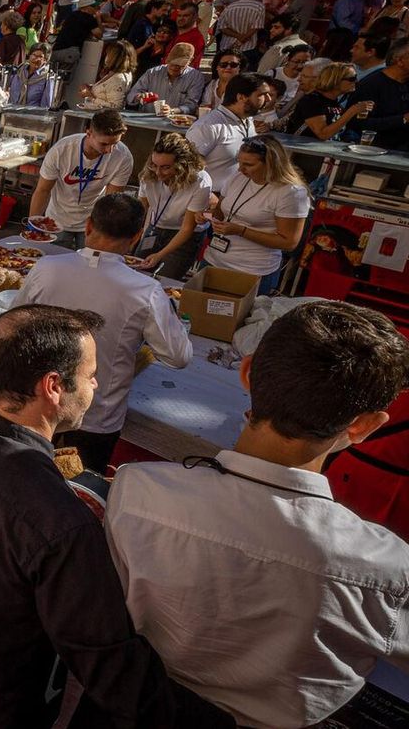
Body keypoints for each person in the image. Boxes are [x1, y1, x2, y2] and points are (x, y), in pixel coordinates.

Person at [0, 304, 236, 729]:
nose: (96, 384)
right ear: (53, 387)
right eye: (90, 374)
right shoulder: (62, 524)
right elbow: (107, 664)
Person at [107, 301, 409, 729]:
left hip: (139, 707)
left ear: (246, 374)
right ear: (364, 426)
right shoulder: (385, 568)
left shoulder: (137, 488)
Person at [16, 195, 191, 472]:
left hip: (39, 400)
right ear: (136, 237)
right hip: (95, 413)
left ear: (88, 226)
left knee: (22, 475)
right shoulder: (144, 291)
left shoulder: (46, 268)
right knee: (79, 493)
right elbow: (178, 356)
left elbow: (16, 320)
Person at [205, 135, 309, 295]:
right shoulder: (238, 176)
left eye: (248, 164)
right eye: (239, 162)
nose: (240, 169)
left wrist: (241, 231)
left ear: (271, 164)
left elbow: (289, 242)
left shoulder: (290, 193)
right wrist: (207, 215)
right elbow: (220, 211)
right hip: (214, 259)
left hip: (252, 269)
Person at [29, 110, 134, 249]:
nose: (110, 150)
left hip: (93, 223)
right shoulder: (62, 150)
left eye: (115, 143)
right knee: (52, 262)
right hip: (57, 219)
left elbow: (111, 201)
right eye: (104, 144)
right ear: (89, 133)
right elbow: (43, 190)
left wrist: (106, 234)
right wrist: (33, 226)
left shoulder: (123, 157)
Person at [134, 132, 213, 279]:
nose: (158, 172)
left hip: (184, 235)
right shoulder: (149, 174)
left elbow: (187, 228)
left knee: (165, 279)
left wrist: (160, 255)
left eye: (165, 167)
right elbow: (140, 209)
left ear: (182, 166)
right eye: (154, 165)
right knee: (136, 272)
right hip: (155, 228)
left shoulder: (200, 181)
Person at [188, 72, 275, 191]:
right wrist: (207, 196)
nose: (269, 99)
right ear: (241, 97)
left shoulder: (247, 119)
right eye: (262, 94)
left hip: (236, 196)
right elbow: (188, 167)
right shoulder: (207, 126)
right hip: (210, 198)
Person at [284, 62, 369, 139]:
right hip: (300, 152)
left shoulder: (335, 103)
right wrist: (352, 111)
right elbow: (323, 134)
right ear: (335, 80)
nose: (356, 81)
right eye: (352, 78)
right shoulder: (312, 100)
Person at [351, 36, 409, 147]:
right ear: (400, 61)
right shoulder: (370, 85)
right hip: (377, 151)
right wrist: (402, 119)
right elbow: (358, 123)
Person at [126, 42, 206, 112]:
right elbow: (131, 95)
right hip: (148, 117)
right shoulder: (152, 72)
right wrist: (139, 97)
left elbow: (192, 104)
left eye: (180, 65)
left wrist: (173, 111)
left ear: (190, 61)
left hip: (175, 121)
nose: (174, 67)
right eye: (172, 63)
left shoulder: (196, 77)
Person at [78, 40, 135, 110]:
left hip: (104, 118)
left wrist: (90, 97)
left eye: (108, 54)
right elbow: (108, 90)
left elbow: (116, 107)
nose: (106, 56)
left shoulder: (118, 78)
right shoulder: (114, 73)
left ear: (114, 57)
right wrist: (90, 87)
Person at [5, 43, 57, 107]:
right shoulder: (18, 71)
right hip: (10, 111)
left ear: (45, 60)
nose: (36, 59)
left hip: (32, 115)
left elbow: (46, 105)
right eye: (34, 55)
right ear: (29, 55)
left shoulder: (48, 78)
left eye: (40, 57)